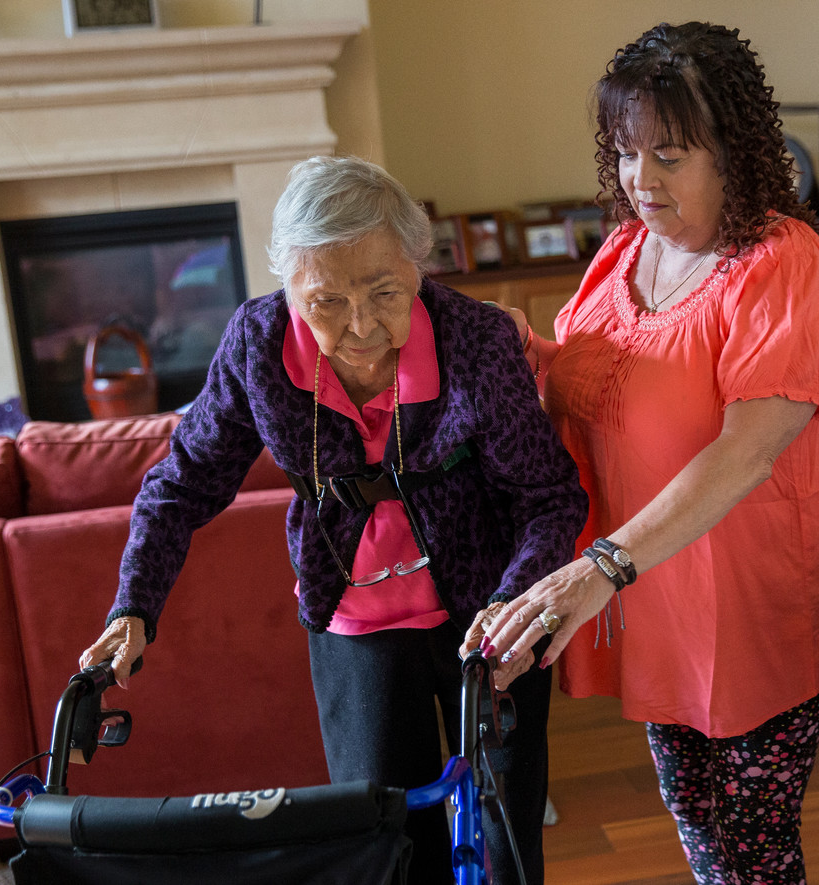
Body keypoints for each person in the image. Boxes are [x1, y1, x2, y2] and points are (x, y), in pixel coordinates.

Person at [81, 155, 588, 885]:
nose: (360, 328)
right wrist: (134, 604)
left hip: (491, 614)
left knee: (506, 842)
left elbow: (548, 496)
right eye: (324, 301)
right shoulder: (258, 344)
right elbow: (182, 482)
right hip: (356, 623)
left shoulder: (476, 341)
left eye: (384, 292)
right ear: (286, 286)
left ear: (419, 265)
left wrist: (514, 602)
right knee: (387, 843)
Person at [466, 22, 819, 885]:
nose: (639, 181)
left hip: (758, 597)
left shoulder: (783, 266)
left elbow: (746, 451)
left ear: (734, 152)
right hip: (662, 589)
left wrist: (597, 571)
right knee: (698, 822)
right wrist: (520, 347)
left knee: (752, 846)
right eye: (625, 153)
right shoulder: (626, 251)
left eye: (670, 155)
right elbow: (588, 383)